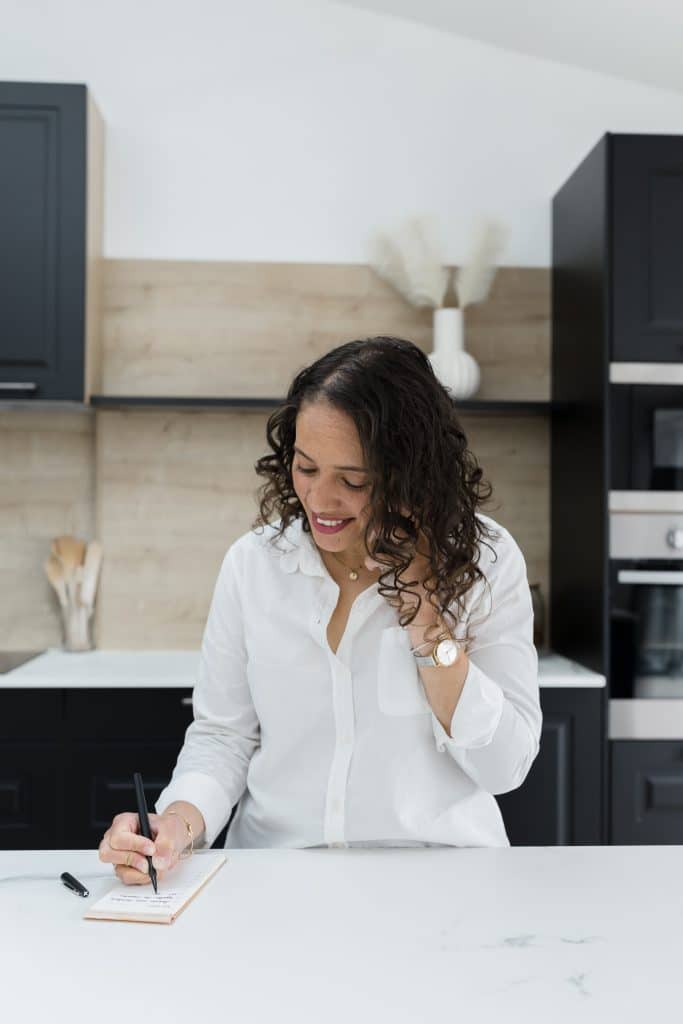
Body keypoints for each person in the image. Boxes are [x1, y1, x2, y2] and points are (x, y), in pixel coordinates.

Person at [98, 336, 541, 885]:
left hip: (439, 880)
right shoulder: (255, 564)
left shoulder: (485, 562)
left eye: (353, 481)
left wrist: (424, 611)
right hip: (275, 876)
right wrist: (176, 824)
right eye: (306, 468)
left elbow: (505, 767)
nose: (320, 500)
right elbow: (223, 738)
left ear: (412, 476)